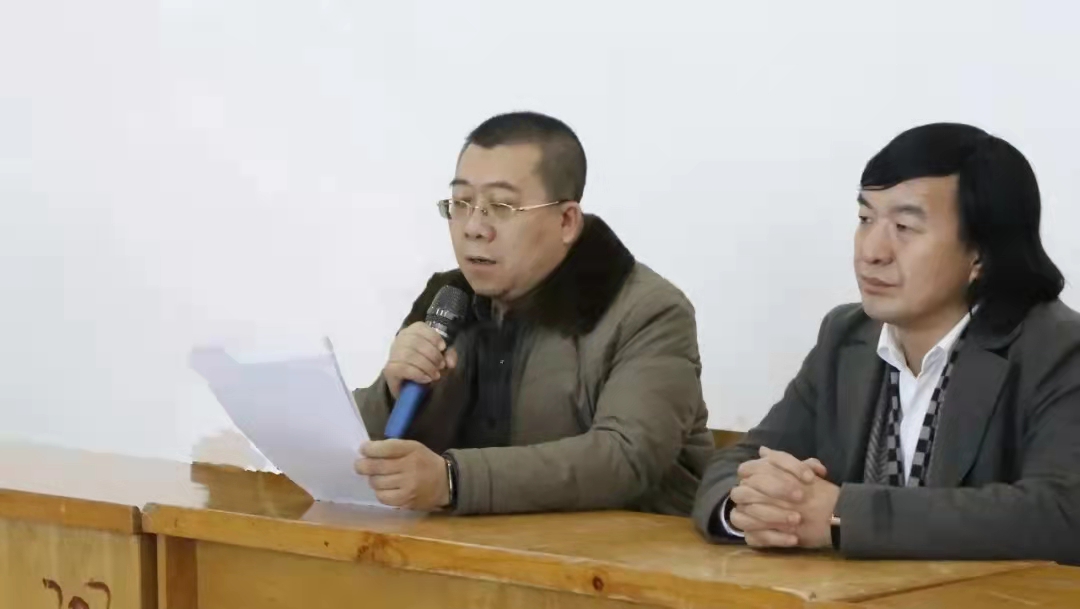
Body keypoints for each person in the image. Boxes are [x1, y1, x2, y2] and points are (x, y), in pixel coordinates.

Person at [693, 123, 1080, 565]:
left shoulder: (1058, 350)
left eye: (904, 226)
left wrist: (842, 516)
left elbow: (1062, 514)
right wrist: (754, 510)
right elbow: (740, 462)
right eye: (865, 219)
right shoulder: (846, 337)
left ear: (981, 254)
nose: (871, 251)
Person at [353, 111, 713, 516]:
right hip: (467, 546)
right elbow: (361, 456)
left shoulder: (648, 311)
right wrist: (391, 393)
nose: (473, 227)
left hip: (629, 549)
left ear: (566, 221)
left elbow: (627, 455)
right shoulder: (449, 301)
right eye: (461, 203)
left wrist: (453, 480)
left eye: (501, 206)